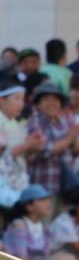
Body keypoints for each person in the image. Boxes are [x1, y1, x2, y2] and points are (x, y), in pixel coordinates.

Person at [0, 76, 38, 208]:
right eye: (16, 98)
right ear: (1, 100)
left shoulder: (16, 123)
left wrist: (34, 147)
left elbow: (24, 157)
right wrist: (28, 145)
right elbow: (4, 154)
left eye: (22, 99)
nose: (21, 104)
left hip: (17, 180)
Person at [4, 184, 56, 260]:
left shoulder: (44, 226)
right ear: (29, 206)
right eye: (42, 199)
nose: (48, 203)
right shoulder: (19, 225)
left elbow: (47, 254)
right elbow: (22, 258)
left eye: (47, 199)